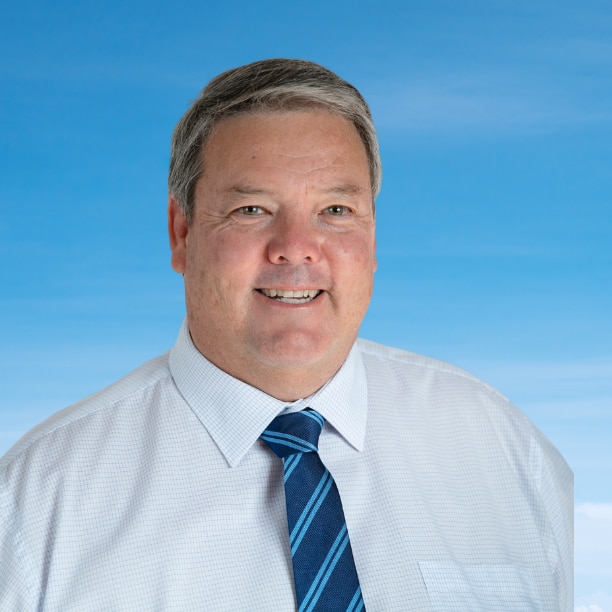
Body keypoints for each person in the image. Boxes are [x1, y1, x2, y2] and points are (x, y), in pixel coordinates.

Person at [0, 59, 572, 611]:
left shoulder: (504, 448)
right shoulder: (37, 504)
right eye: (251, 208)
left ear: (372, 236)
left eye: (335, 209)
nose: (296, 246)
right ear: (182, 232)